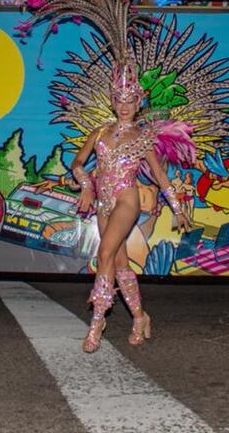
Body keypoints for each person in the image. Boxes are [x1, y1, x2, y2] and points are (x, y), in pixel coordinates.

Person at [69, 62, 192, 353]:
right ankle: (139, 317)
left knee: (105, 253)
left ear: (139, 103)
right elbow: (77, 163)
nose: (125, 106)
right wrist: (86, 183)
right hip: (104, 202)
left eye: (130, 101)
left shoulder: (143, 138)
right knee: (120, 263)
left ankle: (97, 322)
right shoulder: (99, 133)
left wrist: (176, 207)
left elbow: (160, 177)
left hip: (127, 199)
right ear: (113, 102)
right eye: (120, 100)